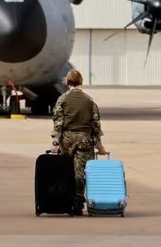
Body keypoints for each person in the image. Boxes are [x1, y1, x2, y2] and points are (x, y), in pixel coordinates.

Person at [50, 69, 107, 216]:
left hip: (67, 140)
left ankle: (66, 200)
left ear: (67, 81)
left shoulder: (62, 99)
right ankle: (78, 202)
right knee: (81, 173)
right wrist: (99, 145)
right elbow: (95, 124)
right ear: (81, 81)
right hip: (84, 140)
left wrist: (55, 142)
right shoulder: (89, 100)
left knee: (66, 170)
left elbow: (58, 123)